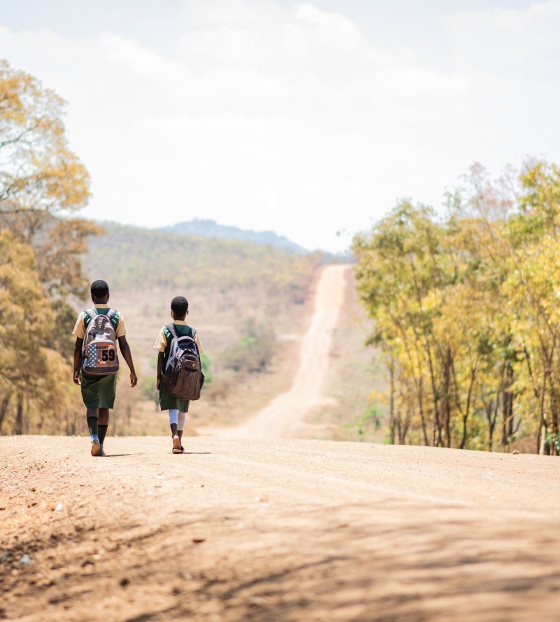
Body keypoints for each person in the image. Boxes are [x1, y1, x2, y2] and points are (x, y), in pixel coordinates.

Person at [72, 279, 137, 456]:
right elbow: (123, 344)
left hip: (89, 365)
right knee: (104, 406)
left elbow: (78, 346)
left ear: (92, 297)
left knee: (92, 404)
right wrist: (132, 369)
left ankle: (93, 438)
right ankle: (101, 443)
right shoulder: (116, 316)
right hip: (109, 366)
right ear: (108, 296)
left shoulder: (85, 316)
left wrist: (76, 369)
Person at [154, 295, 203, 454]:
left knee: (172, 409)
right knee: (182, 409)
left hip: (170, 377)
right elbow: (198, 356)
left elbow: (160, 355)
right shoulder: (192, 332)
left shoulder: (166, 330)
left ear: (171, 313)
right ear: (187, 313)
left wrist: (159, 377)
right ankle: (179, 441)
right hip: (187, 378)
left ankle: (174, 435)